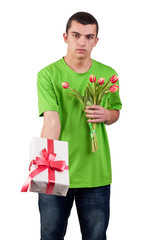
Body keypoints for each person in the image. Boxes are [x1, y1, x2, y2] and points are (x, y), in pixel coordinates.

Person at [37, 11, 122, 240]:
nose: (82, 42)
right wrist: (44, 171)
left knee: (96, 237)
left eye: (89, 36)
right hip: (57, 171)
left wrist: (107, 115)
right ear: (65, 37)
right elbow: (51, 121)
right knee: (50, 236)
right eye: (76, 35)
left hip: (96, 173)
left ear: (96, 40)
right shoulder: (48, 75)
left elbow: (116, 113)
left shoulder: (108, 74)